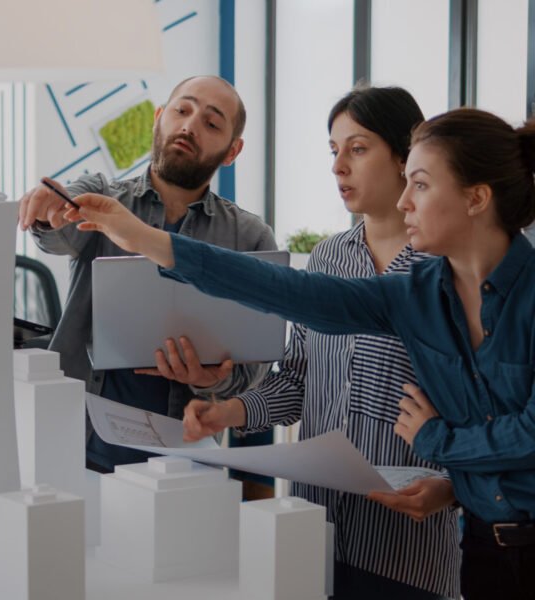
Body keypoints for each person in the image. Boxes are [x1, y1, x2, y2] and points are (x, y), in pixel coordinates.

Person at [66, 107, 535, 599]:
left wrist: (438, 442)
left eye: (419, 184)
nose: (404, 201)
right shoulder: (412, 296)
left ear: (476, 198)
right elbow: (288, 290)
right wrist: (146, 239)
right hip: (485, 553)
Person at [152, 85, 459, 598]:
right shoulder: (326, 259)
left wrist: (451, 490)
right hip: (309, 531)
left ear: (408, 158)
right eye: (334, 151)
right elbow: (297, 379)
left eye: (358, 149)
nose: (339, 166)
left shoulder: (449, 272)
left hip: (409, 544)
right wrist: (229, 410)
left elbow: (482, 409)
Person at [18, 75, 277, 473]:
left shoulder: (250, 238)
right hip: (79, 444)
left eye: (211, 123)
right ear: (159, 118)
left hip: (185, 460)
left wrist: (210, 380)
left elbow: (252, 370)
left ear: (232, 150)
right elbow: (59, 234)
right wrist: (50, 211)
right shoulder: (102, 198)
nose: (189, 126)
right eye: (182, 110)